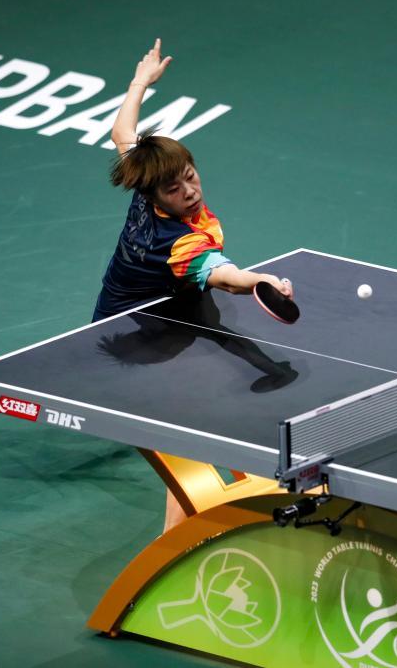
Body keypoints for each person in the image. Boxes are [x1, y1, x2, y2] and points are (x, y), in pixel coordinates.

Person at [95, 38, 295, 531]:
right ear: (154, 193)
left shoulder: (143, 174)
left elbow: (122, 133)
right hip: (145, 332)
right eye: (175, 188)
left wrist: (140, 82)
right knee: (187, 434)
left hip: (145, 308)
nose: (188, 190)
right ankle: (175, 539)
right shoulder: (180, 243)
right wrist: (262, 281)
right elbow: (227, 279)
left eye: (190, 176)